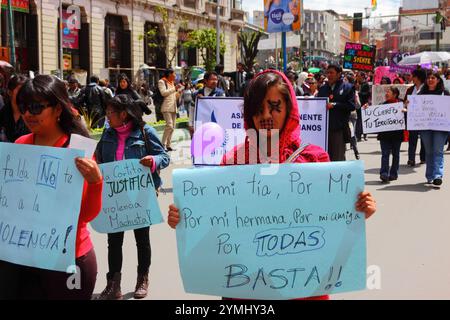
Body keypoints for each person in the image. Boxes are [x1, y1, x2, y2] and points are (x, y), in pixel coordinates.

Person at [167, 70, 376, 300]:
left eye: (274, 106)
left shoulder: (314, 160)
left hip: (303, 287)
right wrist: (184, 218)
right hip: (244, 287)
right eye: (258, 109)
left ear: (289, 109)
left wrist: (358, 209)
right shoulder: (232, 161)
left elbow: (333, 222)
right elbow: (214, 221)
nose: (265, 115)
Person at [4, 74, 103, 299]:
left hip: (69, 259)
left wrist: (96, 182)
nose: (28, 114)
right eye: (24, 107)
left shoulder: (76, 150)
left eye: (37, 107)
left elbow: (87, 215)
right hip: (25, 257)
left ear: (58, 109)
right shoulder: (21, 144)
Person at [95, 94, 170, 300]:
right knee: (114, 241)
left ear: (124, 114)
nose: (107, 116)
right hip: (115, 197)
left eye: (110, 113)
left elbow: (165, 157)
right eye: (107, 112)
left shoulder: (145, 132)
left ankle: (142, 279)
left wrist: (153, 160)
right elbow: (99, 158)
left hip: (141, 196)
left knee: (142, 240)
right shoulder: (107, 134)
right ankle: (113, 284)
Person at [417, 70, 450, 187]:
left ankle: (437, 175)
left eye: (433, 78)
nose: (430, 80)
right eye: (429, 78)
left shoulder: (445, 93)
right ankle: (430, 175)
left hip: (440, 127)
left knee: (438, 150)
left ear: (438, 80)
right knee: (429, 151)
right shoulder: (421, 94)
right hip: (425, 126)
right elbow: (414, 107)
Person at [318, 64, 356, 161]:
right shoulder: (322, 89)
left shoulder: (348, 88)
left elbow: (351, 106)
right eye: (328, 73)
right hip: (322, 130)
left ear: (339, 74)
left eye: (332, 73)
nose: (329, 75)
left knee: (337, 158)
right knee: (323, 158)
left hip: (338, 129)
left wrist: (335, 105)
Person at [375, 87, 404, 183]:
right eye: (386, 92)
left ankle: (393, 174)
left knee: (396, 154)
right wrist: (366, 108)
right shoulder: (382, 106)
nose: (386, 94)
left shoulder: (401, 105)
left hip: (397, 134)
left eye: (388, 92)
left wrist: (405, 111)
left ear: (395, 94)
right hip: (385, 135)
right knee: (385, 154)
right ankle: (384, 173)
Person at [405, 68, 426, 167]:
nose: (412, 78)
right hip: (413, 118)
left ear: (418, 78)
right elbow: (405, 102)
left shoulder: (426, 88)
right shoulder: (410, 89)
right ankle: (411, 159)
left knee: (424, 139)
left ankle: (423, 158)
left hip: (424, 118)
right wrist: (406, 103)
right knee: (412, 139)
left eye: (413, 76)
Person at [159, 68, 184, 151]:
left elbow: (173, 96)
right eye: (174, 74)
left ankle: (168, 145)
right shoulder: (162, 82)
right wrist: (175, 88)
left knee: (172, 127)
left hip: (173, 107)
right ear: (170, 74)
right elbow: (163, 93)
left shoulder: (172, 83)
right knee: (169, 125)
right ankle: (163, 144)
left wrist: (179, 92)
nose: (175, 76)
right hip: (166, 107)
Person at [0, 74, 29, 142]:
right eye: (20, 90)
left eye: (26, 90)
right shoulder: (3, 112)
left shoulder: (33, 112)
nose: (24, 94)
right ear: (10, 92)